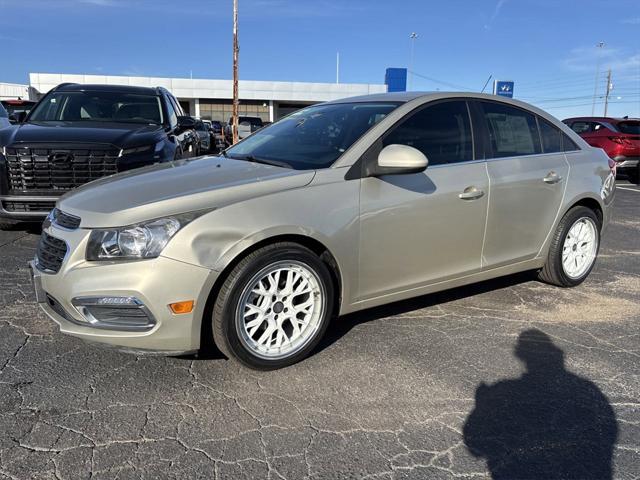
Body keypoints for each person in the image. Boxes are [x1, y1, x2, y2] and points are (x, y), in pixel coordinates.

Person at [463, 329, 618, 479]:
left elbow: (475, 444)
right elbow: (608, 431)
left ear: (520, 354)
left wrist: (482, 403)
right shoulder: (586, 388)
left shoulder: (504, 391)